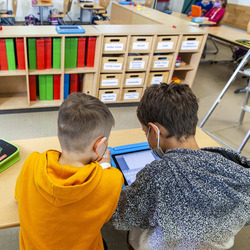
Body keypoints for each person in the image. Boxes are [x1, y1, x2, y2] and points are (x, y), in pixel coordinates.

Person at [111, 83, 250, 250]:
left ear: (154, 131)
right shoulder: (235, 167)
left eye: (144, 132)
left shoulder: (158, 175)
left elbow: (121, 214)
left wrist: (106, 170)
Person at [15, 93, 124, 250]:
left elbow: (19, 197)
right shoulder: (111, 180)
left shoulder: (32, 162)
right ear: (100, 145)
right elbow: (107, 217)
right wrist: (105, 166)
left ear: (59, 133)